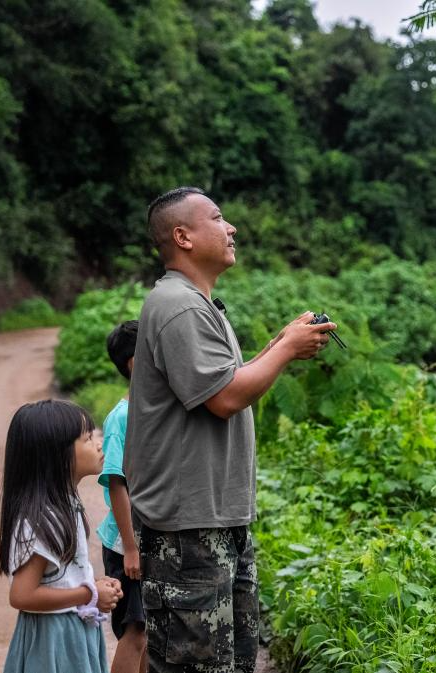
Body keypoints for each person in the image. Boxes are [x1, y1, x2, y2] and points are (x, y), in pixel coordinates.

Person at [125, 186, 335, 673]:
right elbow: (225, 399)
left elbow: (225, 382)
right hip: (189, 529)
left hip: (214, 521)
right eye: (218, 218)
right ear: (183, 236)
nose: (231, 227)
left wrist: (281, 342)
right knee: (195, 664)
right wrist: (285, 351)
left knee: (232, 662)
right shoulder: (179, 307)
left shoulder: (197, 304)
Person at [0, 399, 124, 673]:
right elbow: (23, 595)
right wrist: (89, 593)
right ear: (57, 454)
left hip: (71, 630)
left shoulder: (66, 504)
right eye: (88, 438)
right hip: (53, 640)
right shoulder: (42, 519)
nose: (99, 444)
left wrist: (91, 582)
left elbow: (59, 577)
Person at [97, 320, 148, 673]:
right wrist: (130, 547)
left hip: (144, 541)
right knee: (136, 632)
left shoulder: (150, 412)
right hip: (125, 545)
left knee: (150, 632)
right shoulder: (122, 418)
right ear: (134, 363)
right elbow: (117, 483)